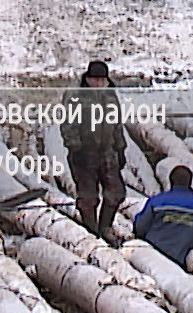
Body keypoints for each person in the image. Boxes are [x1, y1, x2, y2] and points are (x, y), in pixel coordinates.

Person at [59, 60, 126, 240]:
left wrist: (120, 148)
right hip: (84, 153)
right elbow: (68, 125)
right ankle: (91, 231)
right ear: (87, 79)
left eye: (102, 80)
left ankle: (105, 227)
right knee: (88, 198)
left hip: (107, 153)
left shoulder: (110, 96)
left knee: (116, 193)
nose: (98, 83)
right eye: (94, 79)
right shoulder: (75, 96)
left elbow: (117, 124)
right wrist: (76, 148)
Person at [133, 165, 193, 266]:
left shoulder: (157, 201)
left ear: (170, 181)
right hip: (180, 264)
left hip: (150, 259)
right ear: (190, 182)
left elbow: (139, 228)